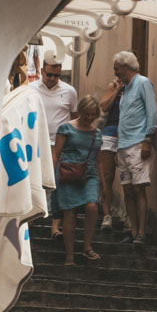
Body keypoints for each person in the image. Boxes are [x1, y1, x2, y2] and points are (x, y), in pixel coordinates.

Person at [110, 50, 157, 243]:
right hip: (123, 145)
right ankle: (132, 229)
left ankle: (141, 232)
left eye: (117, 69)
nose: (115, 73)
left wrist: (148, 139)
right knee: (127, 189)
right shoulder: (126, 88)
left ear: (126, 67)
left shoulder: (143, 83)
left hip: (138, 143)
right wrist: (117, 147)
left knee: (139, 189)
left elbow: (152, 112)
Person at [49, 95, 103, 264]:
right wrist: (51, 176)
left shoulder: (97, 133)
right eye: (87, 114)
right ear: (80, 111)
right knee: (70, 213)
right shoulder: (65, 129)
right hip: (67, 174)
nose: (90, 118)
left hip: (90, 175)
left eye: (93, 114)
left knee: (92, 206)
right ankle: (70, 255)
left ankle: (87, 247)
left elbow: (99, 159)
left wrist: (104, 184)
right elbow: (56, 153)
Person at [34, 58, 78, 236]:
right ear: (43, 71)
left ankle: (54, 222)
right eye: (49, 74)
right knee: (36, 179)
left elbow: (75, 117)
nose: (52, 78)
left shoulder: (69, 91)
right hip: (36, 143)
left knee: (58, 183)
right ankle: (35, 214)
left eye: (57, 75)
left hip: (61, 144)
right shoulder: (30, 90)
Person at [96, 76, 123, 230]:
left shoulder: (138, 86)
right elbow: (104, 106)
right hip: (110, 131)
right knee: (106, 177)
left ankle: (129, 220)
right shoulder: (113, 86)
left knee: (130, 182)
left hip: (128, 134)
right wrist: (117, 90)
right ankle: (107, 215)